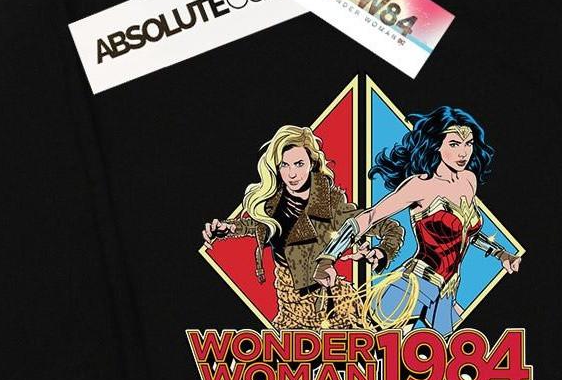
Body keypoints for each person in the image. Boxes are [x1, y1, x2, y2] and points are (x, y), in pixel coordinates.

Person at [202, 125, 404, 329]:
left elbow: (391, 228)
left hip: (329, 305)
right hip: (289, 303)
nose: (292, 174)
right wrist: (228, 228)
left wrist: (382, 251)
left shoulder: (331, 205)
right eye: (284, 165)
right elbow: (259, 224)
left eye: (299, 164)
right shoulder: (272, 203)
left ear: (312, 163)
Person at [342, 106, 522, 334]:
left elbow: (467, 231)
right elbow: (371, 215)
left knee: (452, 351)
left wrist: (502, 254)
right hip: (416, 285)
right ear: (437, 144)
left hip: (447, 291)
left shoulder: (468, 180)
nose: (463, 153)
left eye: (468, 144)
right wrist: (329, 256)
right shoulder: (421, 186)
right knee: (383, 348)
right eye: (454, 144)